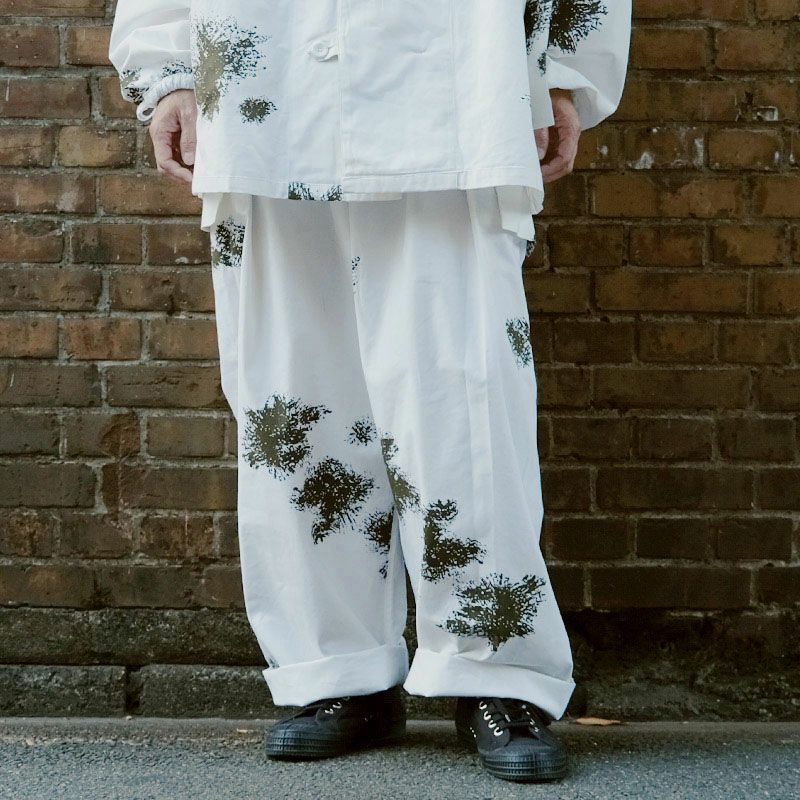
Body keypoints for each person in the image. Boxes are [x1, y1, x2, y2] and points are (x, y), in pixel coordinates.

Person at [109, 0, 631, 783]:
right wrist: (168, 73)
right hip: (265, 82)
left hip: (457, 83)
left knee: (468, 402)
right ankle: (337, 672)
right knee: (292, 404)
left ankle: (496, 669)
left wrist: (563, 72)